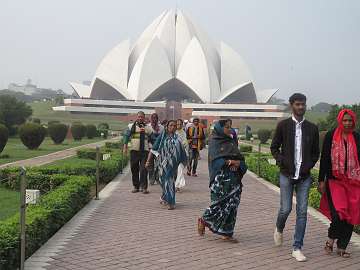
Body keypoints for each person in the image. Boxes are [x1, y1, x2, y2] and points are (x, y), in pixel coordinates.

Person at [271, 93, 319, 262]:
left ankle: (297, 247)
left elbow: (315, 153)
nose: (301, 107)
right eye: (298, 104)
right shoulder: (283, 126)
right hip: (286, 174)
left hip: (304, 176)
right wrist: (281, 161)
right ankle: (279, 227)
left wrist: (309, 165)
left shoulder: (312, 128)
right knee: (285, 209)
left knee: (302, 212)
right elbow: (274, 147)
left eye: (303, 104)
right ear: (291, 105)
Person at [318, 109, 360, 258]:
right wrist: (321, 180)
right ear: (340, 121)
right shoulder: (330, 136)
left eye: (350, 121)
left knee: (350, 216)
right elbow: (324, 159)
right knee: (339, 215)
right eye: (345, 120)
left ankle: (342, 246)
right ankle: (331, 239)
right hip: (334, 181)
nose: (348, 123)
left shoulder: (357, 137)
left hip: (354, 182)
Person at [197, 119, 247, 242]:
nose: (229, 129)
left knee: (232, 205)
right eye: (227, 127)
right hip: (221, 180)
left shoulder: (231, 141)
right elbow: (215, 161)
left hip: (234, 179)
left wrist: (238, 163)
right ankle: (204, 219)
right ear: (220, 128)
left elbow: (240, 158)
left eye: (230, 127)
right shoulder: (215, 141)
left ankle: (227, 233)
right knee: (218, 204)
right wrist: (230, 162)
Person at [145, 120, 187, 210]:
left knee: (169, 181)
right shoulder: (162, 137)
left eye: (175, 125)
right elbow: (153, 149)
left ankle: (171, 202)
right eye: (171, 125)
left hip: (172, 165)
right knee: (162, 181)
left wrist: (184, 162)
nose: (173, 127)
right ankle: (164, 197)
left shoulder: (178, 138)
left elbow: (182, 151)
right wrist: (148, 161)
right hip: (161, 164)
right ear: (167, 127)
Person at [123, 111, 153, 194]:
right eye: (139, 116)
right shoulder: (131, 126)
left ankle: (144, 187)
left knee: (144, 169)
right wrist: (125, 147)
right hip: (134, 150)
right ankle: (136, 186)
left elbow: (153, 138)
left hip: (145, 151)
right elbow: (126, 136)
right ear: (137, 117)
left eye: (142, 117)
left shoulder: (148, 128)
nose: (140, 118)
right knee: (134, 168)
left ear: (144, 118)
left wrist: (155, 148)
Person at [148, 113, 164, 185]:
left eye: (155, 118)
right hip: (150, 149)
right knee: (150, 164)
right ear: (151, 119)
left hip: (159, 149)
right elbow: (147, 138)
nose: (154, 119)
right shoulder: (148, 127)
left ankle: (157, 178)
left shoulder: (161, 128)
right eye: (153, 118)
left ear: (157, 119)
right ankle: (151, 179)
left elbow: (163, 138)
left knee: (158, 164)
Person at [175, 119, 189, 192]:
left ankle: (177, 186)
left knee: (180, 169)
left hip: (183, 154)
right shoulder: (173, 132)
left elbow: (185, 143)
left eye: (180, 124)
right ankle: (176, 185)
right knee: (176, 171)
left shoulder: (184, 133)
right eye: (177, 124)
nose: (179, 126)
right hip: (175, 154)